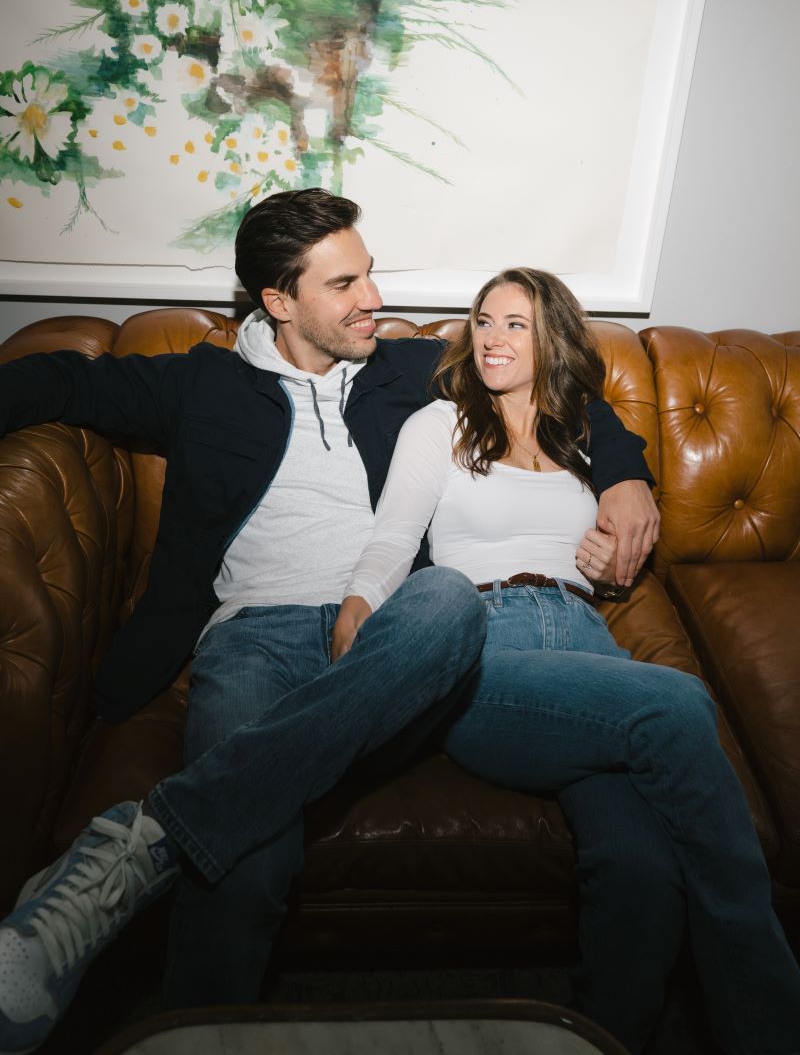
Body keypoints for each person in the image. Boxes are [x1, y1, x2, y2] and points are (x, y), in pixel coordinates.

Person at [0, 191, 659, 1054]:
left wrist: (624, 474)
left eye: (370, 274)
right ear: (280, 301)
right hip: (256, 638)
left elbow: (557, 380)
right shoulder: (198, 383)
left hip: (402, 634)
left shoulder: (411, 369)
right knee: (246, 865)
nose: (372, 299)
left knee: (449, 598)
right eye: (345, 283)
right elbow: (58, 377)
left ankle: (145, 843)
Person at [332, 266, 800, 1055]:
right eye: (484, 320)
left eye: (516, 324)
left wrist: (612, 567)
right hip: (483, 647)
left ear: (553, 339)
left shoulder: (586, 435)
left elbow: (610, 556)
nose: (493, 338)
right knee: (679, 704)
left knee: (641, 869)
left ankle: (608, 1032)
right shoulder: (437, 427)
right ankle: (770, 1018)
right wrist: (357, 609)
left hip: (585, 644)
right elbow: (391, 538)